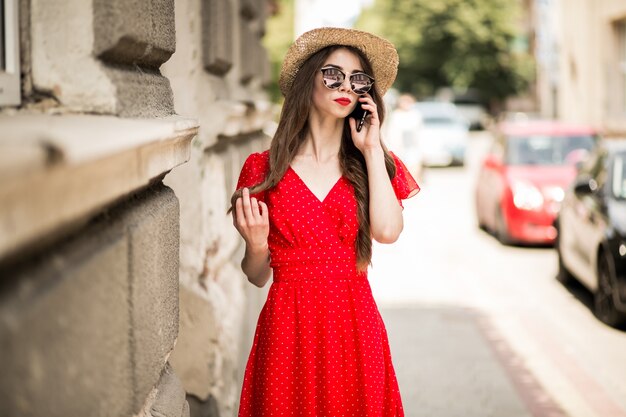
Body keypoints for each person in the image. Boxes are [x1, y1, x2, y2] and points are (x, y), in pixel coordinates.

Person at [230, 27, 420, 417]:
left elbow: (388, 232)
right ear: (309, 81)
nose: (345, 86)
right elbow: (255, 275)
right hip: (288, 327)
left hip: (354, 323)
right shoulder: (262, 168)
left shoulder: (376, 165)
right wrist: (256, 245)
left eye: (357, 79)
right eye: (333, 74)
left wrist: (370, 149)